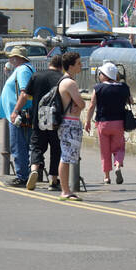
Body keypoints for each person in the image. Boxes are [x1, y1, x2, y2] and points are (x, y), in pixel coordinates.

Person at [13, 52, 64, 191]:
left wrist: (16, 111)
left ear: (50, 64)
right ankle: (53, 181)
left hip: (39, 117)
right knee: (56, 148)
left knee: (36, 146)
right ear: (62, 67)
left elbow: (26, 95)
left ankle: (35, 169)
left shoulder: (37, 76)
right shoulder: (62, 78)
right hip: (56, 119)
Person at [86, 61, 132, 185]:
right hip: (118, 123)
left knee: (104, 150)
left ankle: (106, 177)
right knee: (119, 147)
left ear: (105, 75)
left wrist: (87, 121)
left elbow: (91, 105)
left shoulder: (98, 88)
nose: (100, 75)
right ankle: (117, 165)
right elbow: (131, 101)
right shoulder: (123, 87)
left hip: (103, 123)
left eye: (101, 73)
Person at [0, 47, 34, 187]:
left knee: (19, 145)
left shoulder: (23, 70)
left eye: (11, 57)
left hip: (20, 114)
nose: (9, 59)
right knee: (21, 145)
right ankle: (25, 174)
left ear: (17, 58)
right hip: (20, 113)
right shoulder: (22, 69)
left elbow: (24, 92)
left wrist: (15, 110)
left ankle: (22, 176)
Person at [56, 51, 85, 200]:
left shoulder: (64, 81)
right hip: (70, 123)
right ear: (71, 66)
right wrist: (81, 104)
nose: (81, 66)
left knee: (66, 156)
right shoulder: (70, 83)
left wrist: (78, 105)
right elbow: (81, 103)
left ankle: (66, 190)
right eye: (79, 63)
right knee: (66, 157)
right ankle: (65, 190)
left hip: (67, 122)